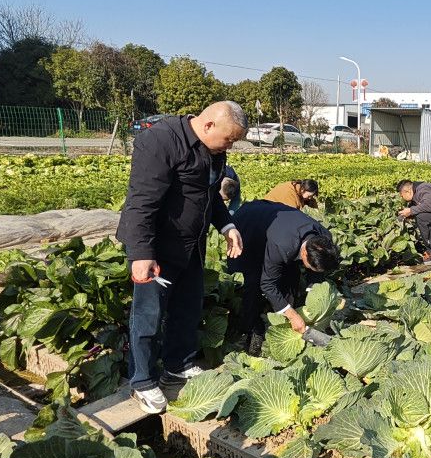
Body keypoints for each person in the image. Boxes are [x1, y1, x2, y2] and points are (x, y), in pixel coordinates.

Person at [116, 101, 247, 414]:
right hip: (158, 246)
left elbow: (210, 194)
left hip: (191, 244)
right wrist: (141, 253)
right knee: (149, 314)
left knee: (186, 307)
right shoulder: (161, 141)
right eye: (229, 139)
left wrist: (227, 224)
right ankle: (143, 381)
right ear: (208, 125)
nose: (231, 146)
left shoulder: (214, 149)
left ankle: (177, 364)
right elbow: (141, 201)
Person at [227, 200, 340, 354]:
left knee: (291, 275)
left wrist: (313, 294)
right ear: (304, 253)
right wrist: (293, 315)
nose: (314, 270)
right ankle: (253, 329)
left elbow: (317, 272)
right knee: (253, 281)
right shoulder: (282, 245)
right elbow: (267, 284)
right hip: (249, 228)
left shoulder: (324, 238)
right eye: (311, 266)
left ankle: (282, 321)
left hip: (279, 225)